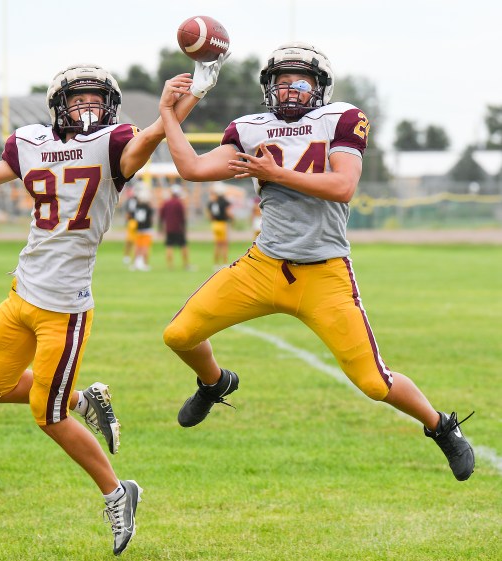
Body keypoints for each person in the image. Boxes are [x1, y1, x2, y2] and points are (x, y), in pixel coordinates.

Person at [0, 59, 226, 555]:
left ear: (111, 106)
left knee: (46, 415)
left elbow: (156, 134)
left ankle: (119, 492)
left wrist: (192, 94)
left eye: (97, 99)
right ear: (59, 106)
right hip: (21, 294)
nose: (89, 107)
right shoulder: (31, 142)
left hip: (65, 308)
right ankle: (83, 399)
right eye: (79, 99)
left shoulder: (114, 145)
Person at [158, 42, 475, 481]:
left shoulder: (340, 119)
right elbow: (191, 168)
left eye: (300, 81)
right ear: (268, 87)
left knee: (372, 382)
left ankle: (441, 426)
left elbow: (343, 186)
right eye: (282, 81)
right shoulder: (250, 128)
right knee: (179, 335)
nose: (290, 90)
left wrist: (277, 174)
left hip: (324, 272)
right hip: (263, 266)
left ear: (320, 87)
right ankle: (214, 383)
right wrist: (171, 116)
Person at [159, 183, 191, 270]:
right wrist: (184, 228)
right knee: (183, 246)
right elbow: (182, 217)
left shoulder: (166, 203)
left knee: (169, 246)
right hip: (179, 228)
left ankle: (170, 266)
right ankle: (186, 264)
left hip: (169, 228)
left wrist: (160, 227)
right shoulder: (179, 203)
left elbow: (161, 216)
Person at [206, 182, 232, 269]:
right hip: (222, 224)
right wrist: (233, 219)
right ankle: (224, 263)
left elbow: (209, 215)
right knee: (224, 245)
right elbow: (228, 213)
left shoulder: (212, 202)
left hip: (214, 224)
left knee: (217, 245)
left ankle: (216, 264)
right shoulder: (225, 202)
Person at [129, 186, 154, 271]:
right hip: (147, 229)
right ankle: (144, 263)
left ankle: (136, 263)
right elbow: (150, 219)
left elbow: (132, 216)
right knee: (145, 247)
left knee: (137, 247)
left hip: (138, 229)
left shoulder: (136, 206)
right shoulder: (148, 207)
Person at [122, 184, 138, 265]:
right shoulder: (133, 200)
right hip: (133, 222)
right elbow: (129, 212)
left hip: (135, 222)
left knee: (132, 241)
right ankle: (127, 256)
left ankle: (129, 256)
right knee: (130, 241)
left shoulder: (135, 200)